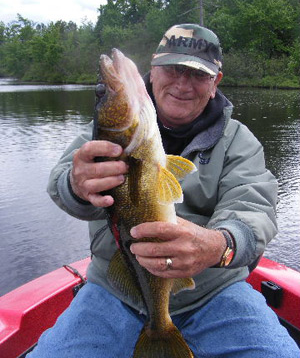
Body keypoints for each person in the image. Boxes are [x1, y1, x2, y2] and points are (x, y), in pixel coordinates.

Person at [28, 24, 299, 357]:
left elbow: (254, 209)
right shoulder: (105, 136)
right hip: (114, 289)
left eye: (198, 75)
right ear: (152, 73)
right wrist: (75, 184)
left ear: (215, 83)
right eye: (172, 69)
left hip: (212, 292)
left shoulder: (239, 142)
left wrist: (218, 245)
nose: (182, 84)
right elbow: (61, 184)